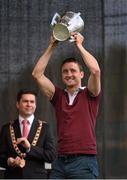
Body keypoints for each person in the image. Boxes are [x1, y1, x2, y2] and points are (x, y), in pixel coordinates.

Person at [32, 32, 101, 179]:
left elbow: (95, 71)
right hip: (60, 161)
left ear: (82, 74)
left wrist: (79, 45)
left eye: (73, 71)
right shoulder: (58, 96)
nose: (69, 74)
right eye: (65, 71)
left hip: (84, 161)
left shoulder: (90, 94)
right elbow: (37, 74)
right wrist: (52, 45)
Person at [0, 89, 56, 179]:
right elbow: (1, 156)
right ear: (18, 104)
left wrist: (30, 148)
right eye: (25, 101)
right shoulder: (6, 128)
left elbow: (51, 155)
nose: (29, 104)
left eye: (32, 102)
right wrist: (8, 161)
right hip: (12, 176)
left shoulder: (45, 127)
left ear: (35, 105)